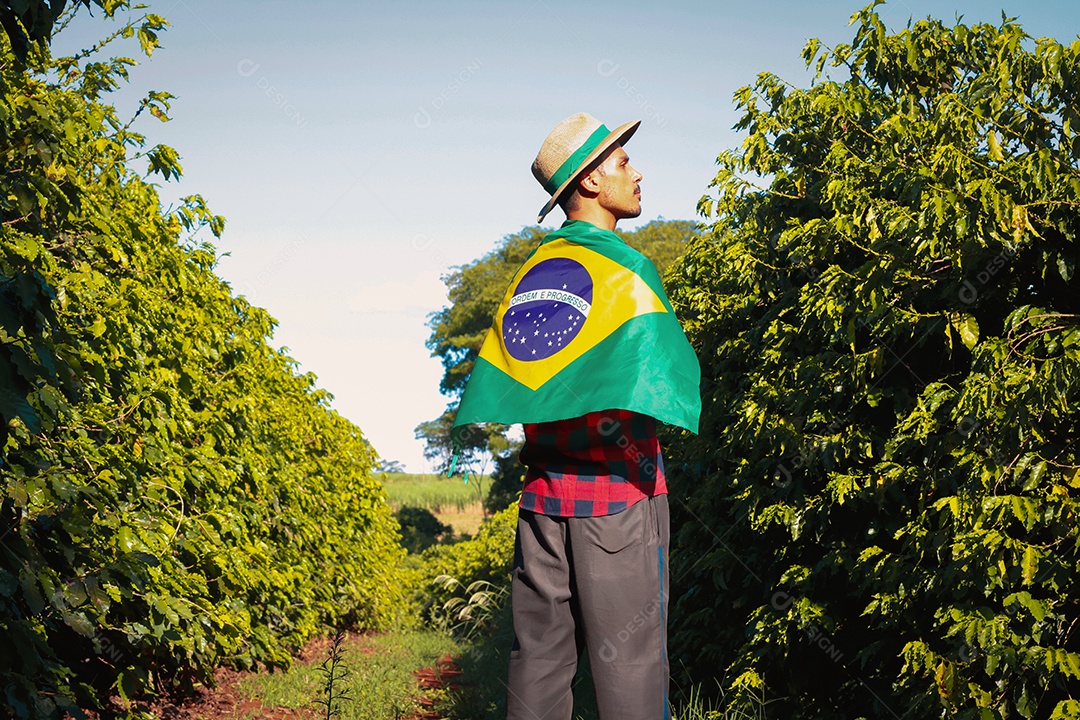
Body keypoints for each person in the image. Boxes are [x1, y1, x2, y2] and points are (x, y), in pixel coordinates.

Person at [451, 112, 701, 720]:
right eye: (623, 162)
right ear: (590, 181)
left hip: (541, 504)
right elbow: (665, 379)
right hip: (619, 500)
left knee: (536, 665)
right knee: (631, 667)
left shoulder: (531, 276)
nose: (637, 174)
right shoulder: (627, 271)